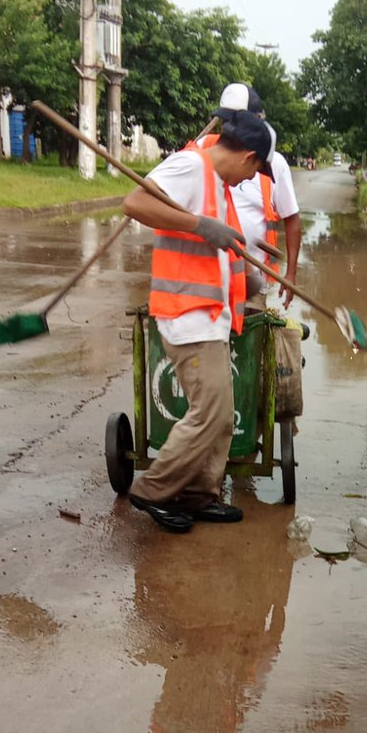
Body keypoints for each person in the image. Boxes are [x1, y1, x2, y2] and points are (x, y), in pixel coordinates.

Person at [122, 109, 277, 533]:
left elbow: (213, 240)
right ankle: (154, 488)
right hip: (187, 315)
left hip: (209, 317)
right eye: (257, 171)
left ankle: (197, 495)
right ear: (248, 157)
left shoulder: (215, 181)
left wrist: (243, 250)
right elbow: (134, 203)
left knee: (222, 416)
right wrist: (199, 225)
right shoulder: (191, 166)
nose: (252, 181)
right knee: (208, 412)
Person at [202, 83, 301, 312]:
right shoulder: (200, 150)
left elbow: (292, 219)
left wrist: (291, 274)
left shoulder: (272, 162)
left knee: (246, 341)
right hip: (206, 277)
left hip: (250, 281)